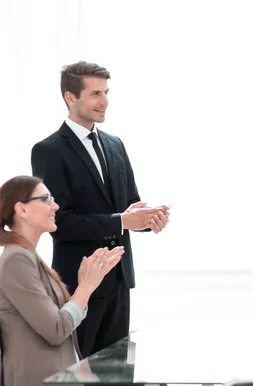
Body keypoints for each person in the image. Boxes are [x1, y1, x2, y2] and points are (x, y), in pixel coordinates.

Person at [31, 61, 170, 357]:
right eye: (95, 94)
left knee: (118, 372)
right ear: (71, 98)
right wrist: (123, 220)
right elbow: (61, 223)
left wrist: (149, 219)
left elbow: (129, 208)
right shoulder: (49, 151)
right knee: (78, 371)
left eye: (106, 92)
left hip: (119, 278)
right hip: (78, 280)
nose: (104, 101)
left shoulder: (115, 145)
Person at [0, 175, 170, 386]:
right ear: (22, 209)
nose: (55, 206)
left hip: (57, 383)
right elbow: (57, 329)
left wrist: (88, 284)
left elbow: (58, 322)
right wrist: (86, 287)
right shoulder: (17, 259)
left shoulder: (27, 257)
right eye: (46, 199)